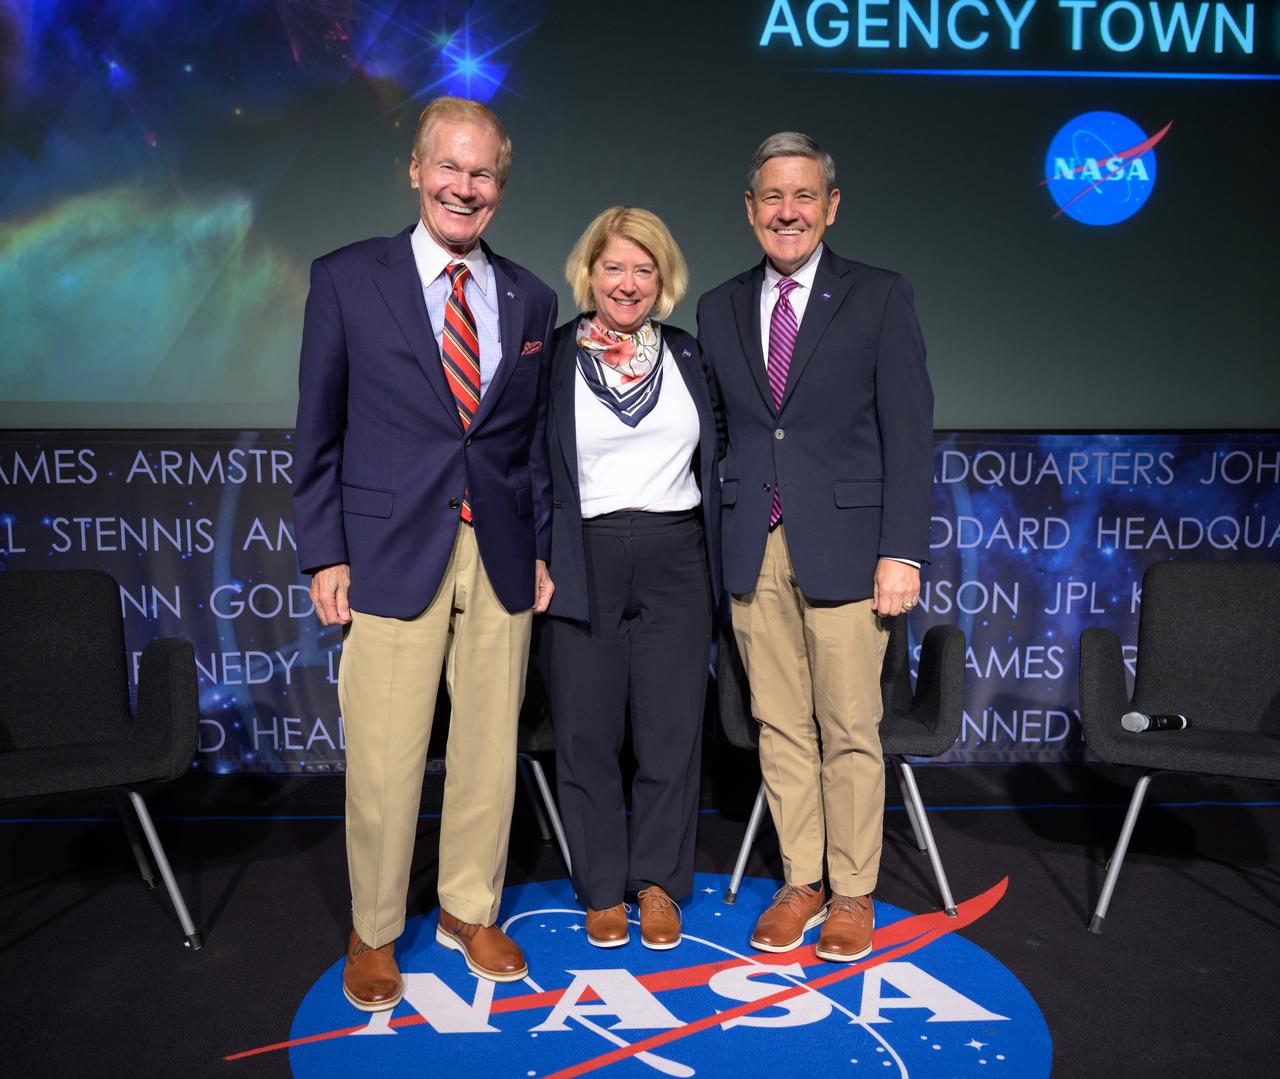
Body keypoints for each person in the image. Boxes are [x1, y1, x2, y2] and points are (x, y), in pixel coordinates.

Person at [292, 96, 557, 1010]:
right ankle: (373, 929)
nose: (464, 186)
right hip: (387, 551)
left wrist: (539, 547)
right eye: (449, 167)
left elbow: (527, 446)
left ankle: (468, 908)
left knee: (489, 749)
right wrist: (325, 552)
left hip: (500, 553)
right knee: (385, 757)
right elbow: (317, 430)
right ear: (415, 170)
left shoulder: (531, 296)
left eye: (482, 173)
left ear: (501, 187)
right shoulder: (345, 278)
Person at [696, 132, 933, 962]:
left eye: (804, 195)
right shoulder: (718, 307)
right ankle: (802, 879)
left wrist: (902, 550)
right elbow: (723, 432)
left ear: (831, 206)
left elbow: (908, 434)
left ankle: (852, 891)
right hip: (751, 548)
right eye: (772, 197)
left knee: (850, 725)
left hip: (848, 547)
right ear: (750, 209)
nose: (787, 211)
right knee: (779, 725)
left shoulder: (878, 295)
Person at [541, 207, 720, 950]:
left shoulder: (688, 355)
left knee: (670, 730)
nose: (628, 282)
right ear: (588, 273)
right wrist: (537, 554)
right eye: (613, 266)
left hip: (679, 553)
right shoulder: (548, 357)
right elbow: (522, 464)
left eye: (644, 269)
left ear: (664, 279)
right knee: (585, 730)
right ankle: (601, 887)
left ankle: (655, 884)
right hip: (583, 552)